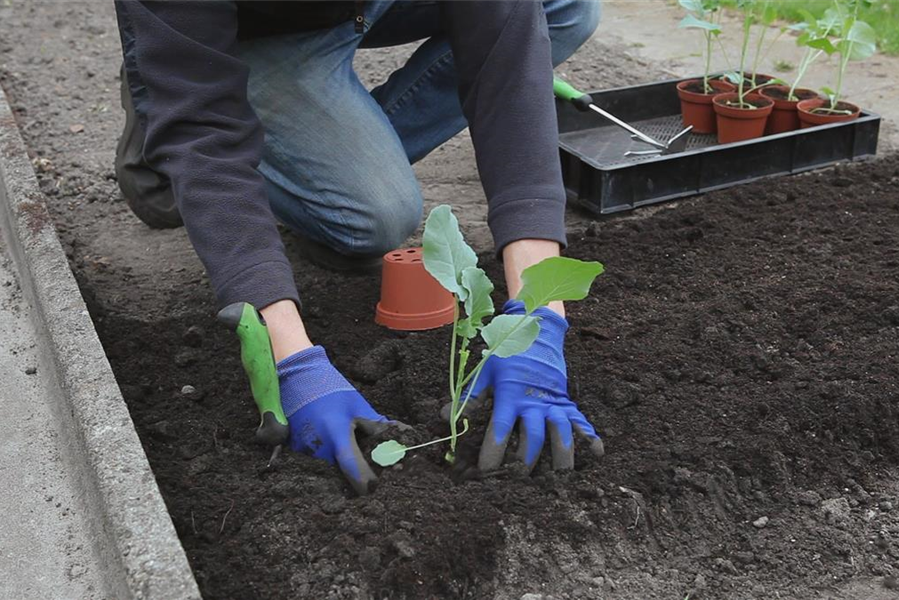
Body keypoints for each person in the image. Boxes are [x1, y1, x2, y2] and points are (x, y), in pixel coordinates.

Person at [113, 0, 605, 494]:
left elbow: (509, 52)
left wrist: (539, 317)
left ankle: (321, 160)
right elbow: (203, 132)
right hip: (246, 30)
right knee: (374, 217)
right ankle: (165, 92)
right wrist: (292, 360)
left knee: (563, 7)